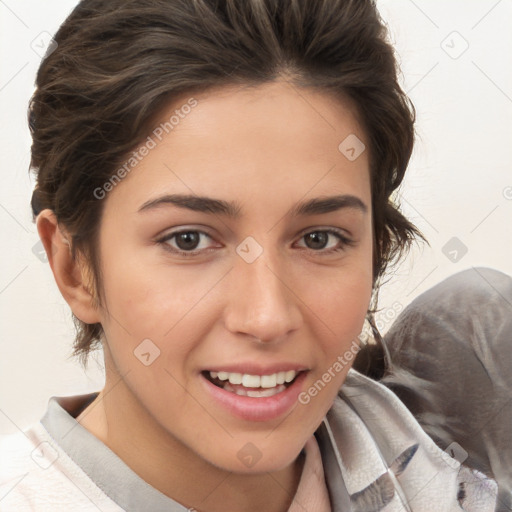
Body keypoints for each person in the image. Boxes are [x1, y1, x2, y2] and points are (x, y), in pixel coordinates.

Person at [0, 0, 499, 510]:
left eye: (319, 238)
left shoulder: (468, 439)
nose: (266, 318)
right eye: (188, 239)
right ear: (74, 268)